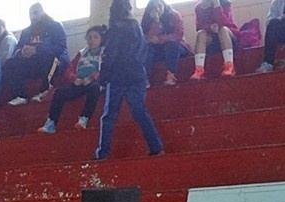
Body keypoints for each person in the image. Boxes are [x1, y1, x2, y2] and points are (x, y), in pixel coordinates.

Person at [95, 0, 165, 161]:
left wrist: (102, 78)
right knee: (140, 112)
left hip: (118, 76)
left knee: (109, 116)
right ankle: (156, 146)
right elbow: (143, 51)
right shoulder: (136, 26)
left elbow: (110, 55)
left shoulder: (115, 28)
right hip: (137, 74)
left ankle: (102, 153)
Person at [37, 25, 105, 134]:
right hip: (79, 82)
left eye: (96, 37)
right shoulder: (82, 53)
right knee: (59, 93)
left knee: (94, 89)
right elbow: (70, 69)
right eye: (89, 37)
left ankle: (84, 119)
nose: (92, 40)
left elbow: (106, 69)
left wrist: (92, 78)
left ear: (102, 39)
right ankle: (51, 123)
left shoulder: (105, 52)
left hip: (94, 83)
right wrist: (74, 78)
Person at [3, 3, 69, 105]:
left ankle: (44, 91)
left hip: (53, 61)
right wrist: (22, 52)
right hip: (33, 63)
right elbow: (17, 49)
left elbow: (60, 47)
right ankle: (20, 96)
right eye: (30, 14)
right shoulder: (26, 32)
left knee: (47, 57)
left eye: (35, 13)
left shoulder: (55, 26)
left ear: (42, 12)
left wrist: (37, 50)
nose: (33, 16)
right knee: (10, 63)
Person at [141, 0, 191, 85]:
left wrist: (160, 39)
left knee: (171, 44)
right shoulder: (148, 20)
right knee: (148, 48)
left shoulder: (174, 15)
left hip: (176, 47)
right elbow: (149, 38)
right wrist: (156, 21)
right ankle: (145, 80)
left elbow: (178, 35)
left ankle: (171, 76)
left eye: (159, 6)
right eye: (154, 7)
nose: (157, 9)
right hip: (159, 50)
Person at [191, 0, 240, 79]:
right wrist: (210, 27)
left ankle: (229, 66)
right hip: (211, 39)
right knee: (201, 33)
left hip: (228, 38)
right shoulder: (199, 7)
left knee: (222, 29)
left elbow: (223, 22)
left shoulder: (226, 3)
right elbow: (199, 26)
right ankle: (199, 70)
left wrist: (216, 5)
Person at [257, 0, 285, 73]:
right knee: (273, 24)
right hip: (283, 30)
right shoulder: (277, 1)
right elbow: (269, 22)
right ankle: (268, 63)